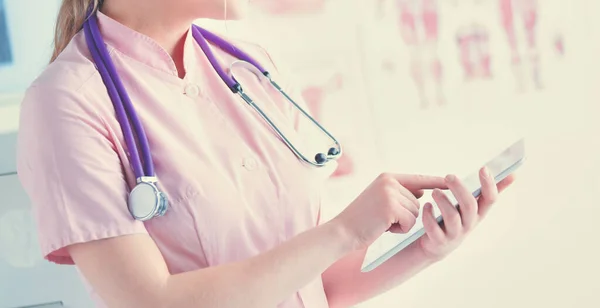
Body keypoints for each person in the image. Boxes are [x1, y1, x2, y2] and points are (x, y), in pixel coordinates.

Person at [16, 0, 515, 307]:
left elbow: (313, 288)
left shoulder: (249, 65)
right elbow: (153, 303)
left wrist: (426, 247)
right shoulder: (68, 103)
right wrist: (343, 231)